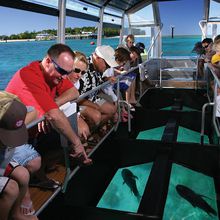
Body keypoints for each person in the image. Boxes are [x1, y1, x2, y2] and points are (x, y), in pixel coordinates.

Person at [6, 44, 92, 170]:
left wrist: (52, 104)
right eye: (62, 72)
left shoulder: (54, 75)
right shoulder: (28, 76)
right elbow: (54, 115)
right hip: (12, 138)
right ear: (47, 61)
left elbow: (74, 92)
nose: (64, 77)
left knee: (69, 137)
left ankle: (43, 171)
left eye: (67, 73)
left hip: (34, 133)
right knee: (35, 162)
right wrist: (77, 143)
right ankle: (36, 176)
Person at [0, 91, 38, 220]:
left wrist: (14, 126)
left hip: (2, 161)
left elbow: (33, 111)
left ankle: (15, 214)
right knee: (11, 188)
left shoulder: (9, 108)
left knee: (23, 174)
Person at [78, 45, 118, 129]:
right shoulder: (83, 67)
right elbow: (76, 98)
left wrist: (106, 79)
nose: (108, 68)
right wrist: (95, 106)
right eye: (107, 65)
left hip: (93, 98)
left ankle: (93, 131)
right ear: (97, 57)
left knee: (112, 110)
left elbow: (96, 80)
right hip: (79, 103)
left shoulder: (98, 67)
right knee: (96, 116)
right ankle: (87, 135)